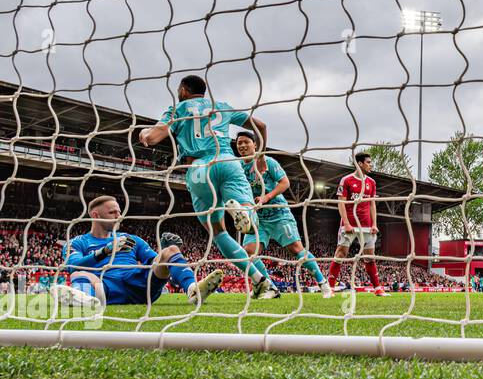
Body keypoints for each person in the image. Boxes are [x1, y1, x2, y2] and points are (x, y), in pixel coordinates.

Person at [137, 74, 279, 299]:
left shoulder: (178, 108)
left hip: (199, 170)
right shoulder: (220, 106)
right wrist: (260, 156)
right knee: (248, 209)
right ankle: (245, 215)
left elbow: (154, 137)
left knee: (218, 232)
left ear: (183, 89)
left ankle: (259, 280)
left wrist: (143, 134)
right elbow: (261, 125)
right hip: (227, 162)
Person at [63, 195, 223, 309]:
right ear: (95, 215)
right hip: (106, 287)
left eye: (119, 212)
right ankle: (84, 299)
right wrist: (105, 251)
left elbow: (155, 262)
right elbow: (73, 265)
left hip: (140, 285)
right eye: (112, 213)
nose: (119, 216)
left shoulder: (130, 239)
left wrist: (165, 253)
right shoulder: (78, 242)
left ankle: (193, 290)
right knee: (78, 275)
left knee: (170, 251)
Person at [234, 132, 331, 298]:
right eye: (239, 143)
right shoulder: (237, 168)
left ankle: (324, 284)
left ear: (255, 145)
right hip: (258, 218)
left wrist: (267, 197)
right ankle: (271, 288)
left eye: (246, 142)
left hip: (279, 213)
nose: (242, 146)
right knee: (249, 252)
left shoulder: (267, 162)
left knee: (296, 249)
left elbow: (285, 182)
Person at [330, 150, 385, 297]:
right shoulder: (346, 180)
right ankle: (329, 288)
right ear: (359, 163)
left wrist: (374, 224)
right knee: (341, 254)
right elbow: (341, 203)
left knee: (370, 256)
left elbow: (372, 204)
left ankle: (378, 288)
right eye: (368, 162)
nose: (370, 165)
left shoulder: (371, 182)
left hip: (367, 225)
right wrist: (346, 223)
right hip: (349, 224)